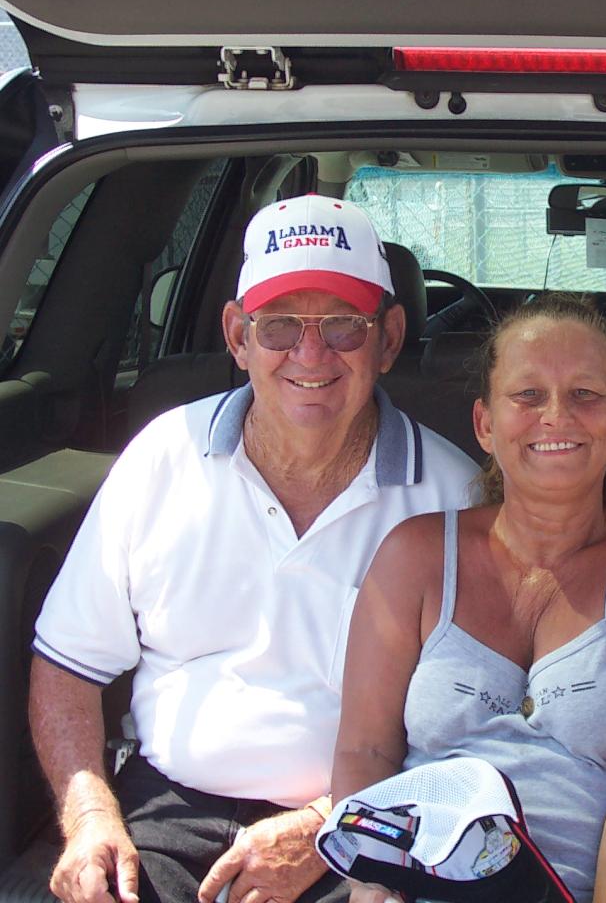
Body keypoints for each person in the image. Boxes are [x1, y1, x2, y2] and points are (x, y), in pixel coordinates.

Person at [29, 194, 479, 903]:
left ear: (389, 339)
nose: (310, 353)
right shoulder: (161, 457)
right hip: (163, 808)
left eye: (343, 324)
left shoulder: (458, 498)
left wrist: (330, 825)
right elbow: (67, 666)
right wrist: (89, 818)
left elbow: (478, 726)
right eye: (279, 326)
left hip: (367, 820)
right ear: (238, 337)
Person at [331, 293, 606, 903]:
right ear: (485, 425)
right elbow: (366, 748)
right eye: (528, 395)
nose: (556, 416)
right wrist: (371, 883)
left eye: (585, 394)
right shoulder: (415, 554)